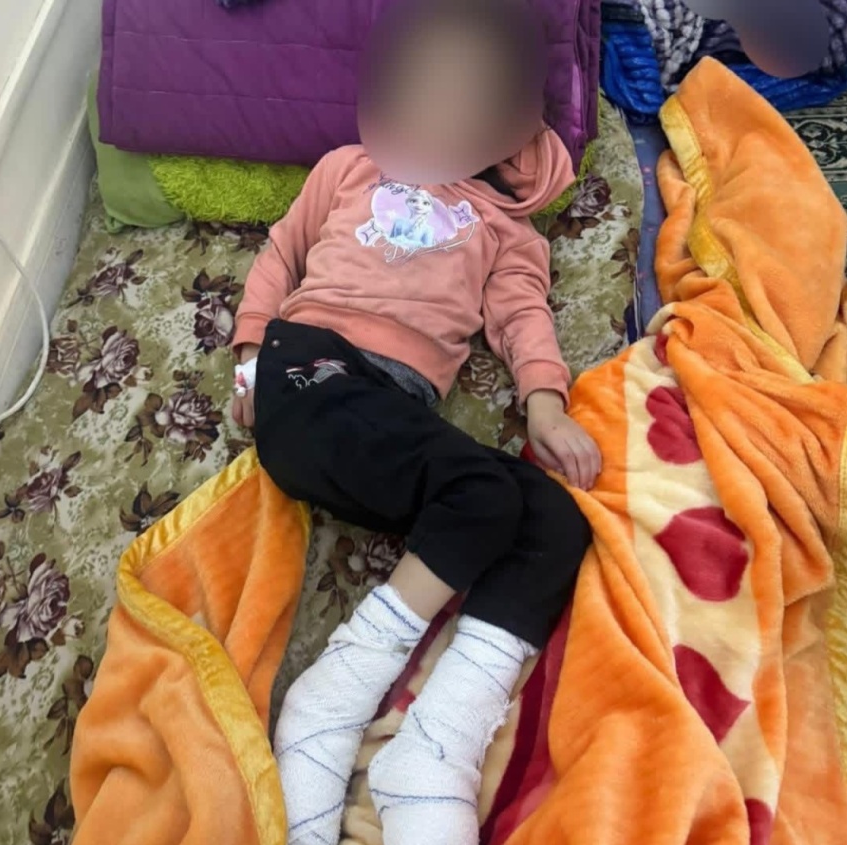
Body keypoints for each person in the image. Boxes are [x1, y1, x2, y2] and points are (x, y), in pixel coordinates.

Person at [231, 1, 600, 843]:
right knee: (482, 494)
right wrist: (250, 357)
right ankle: (333, 695)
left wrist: (545, 403)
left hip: (391, 415)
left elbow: (523, 316)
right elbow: (281, 253)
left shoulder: (505, 227)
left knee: (551, 520)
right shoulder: (348, 168)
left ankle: (436, 746)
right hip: (311, 367)